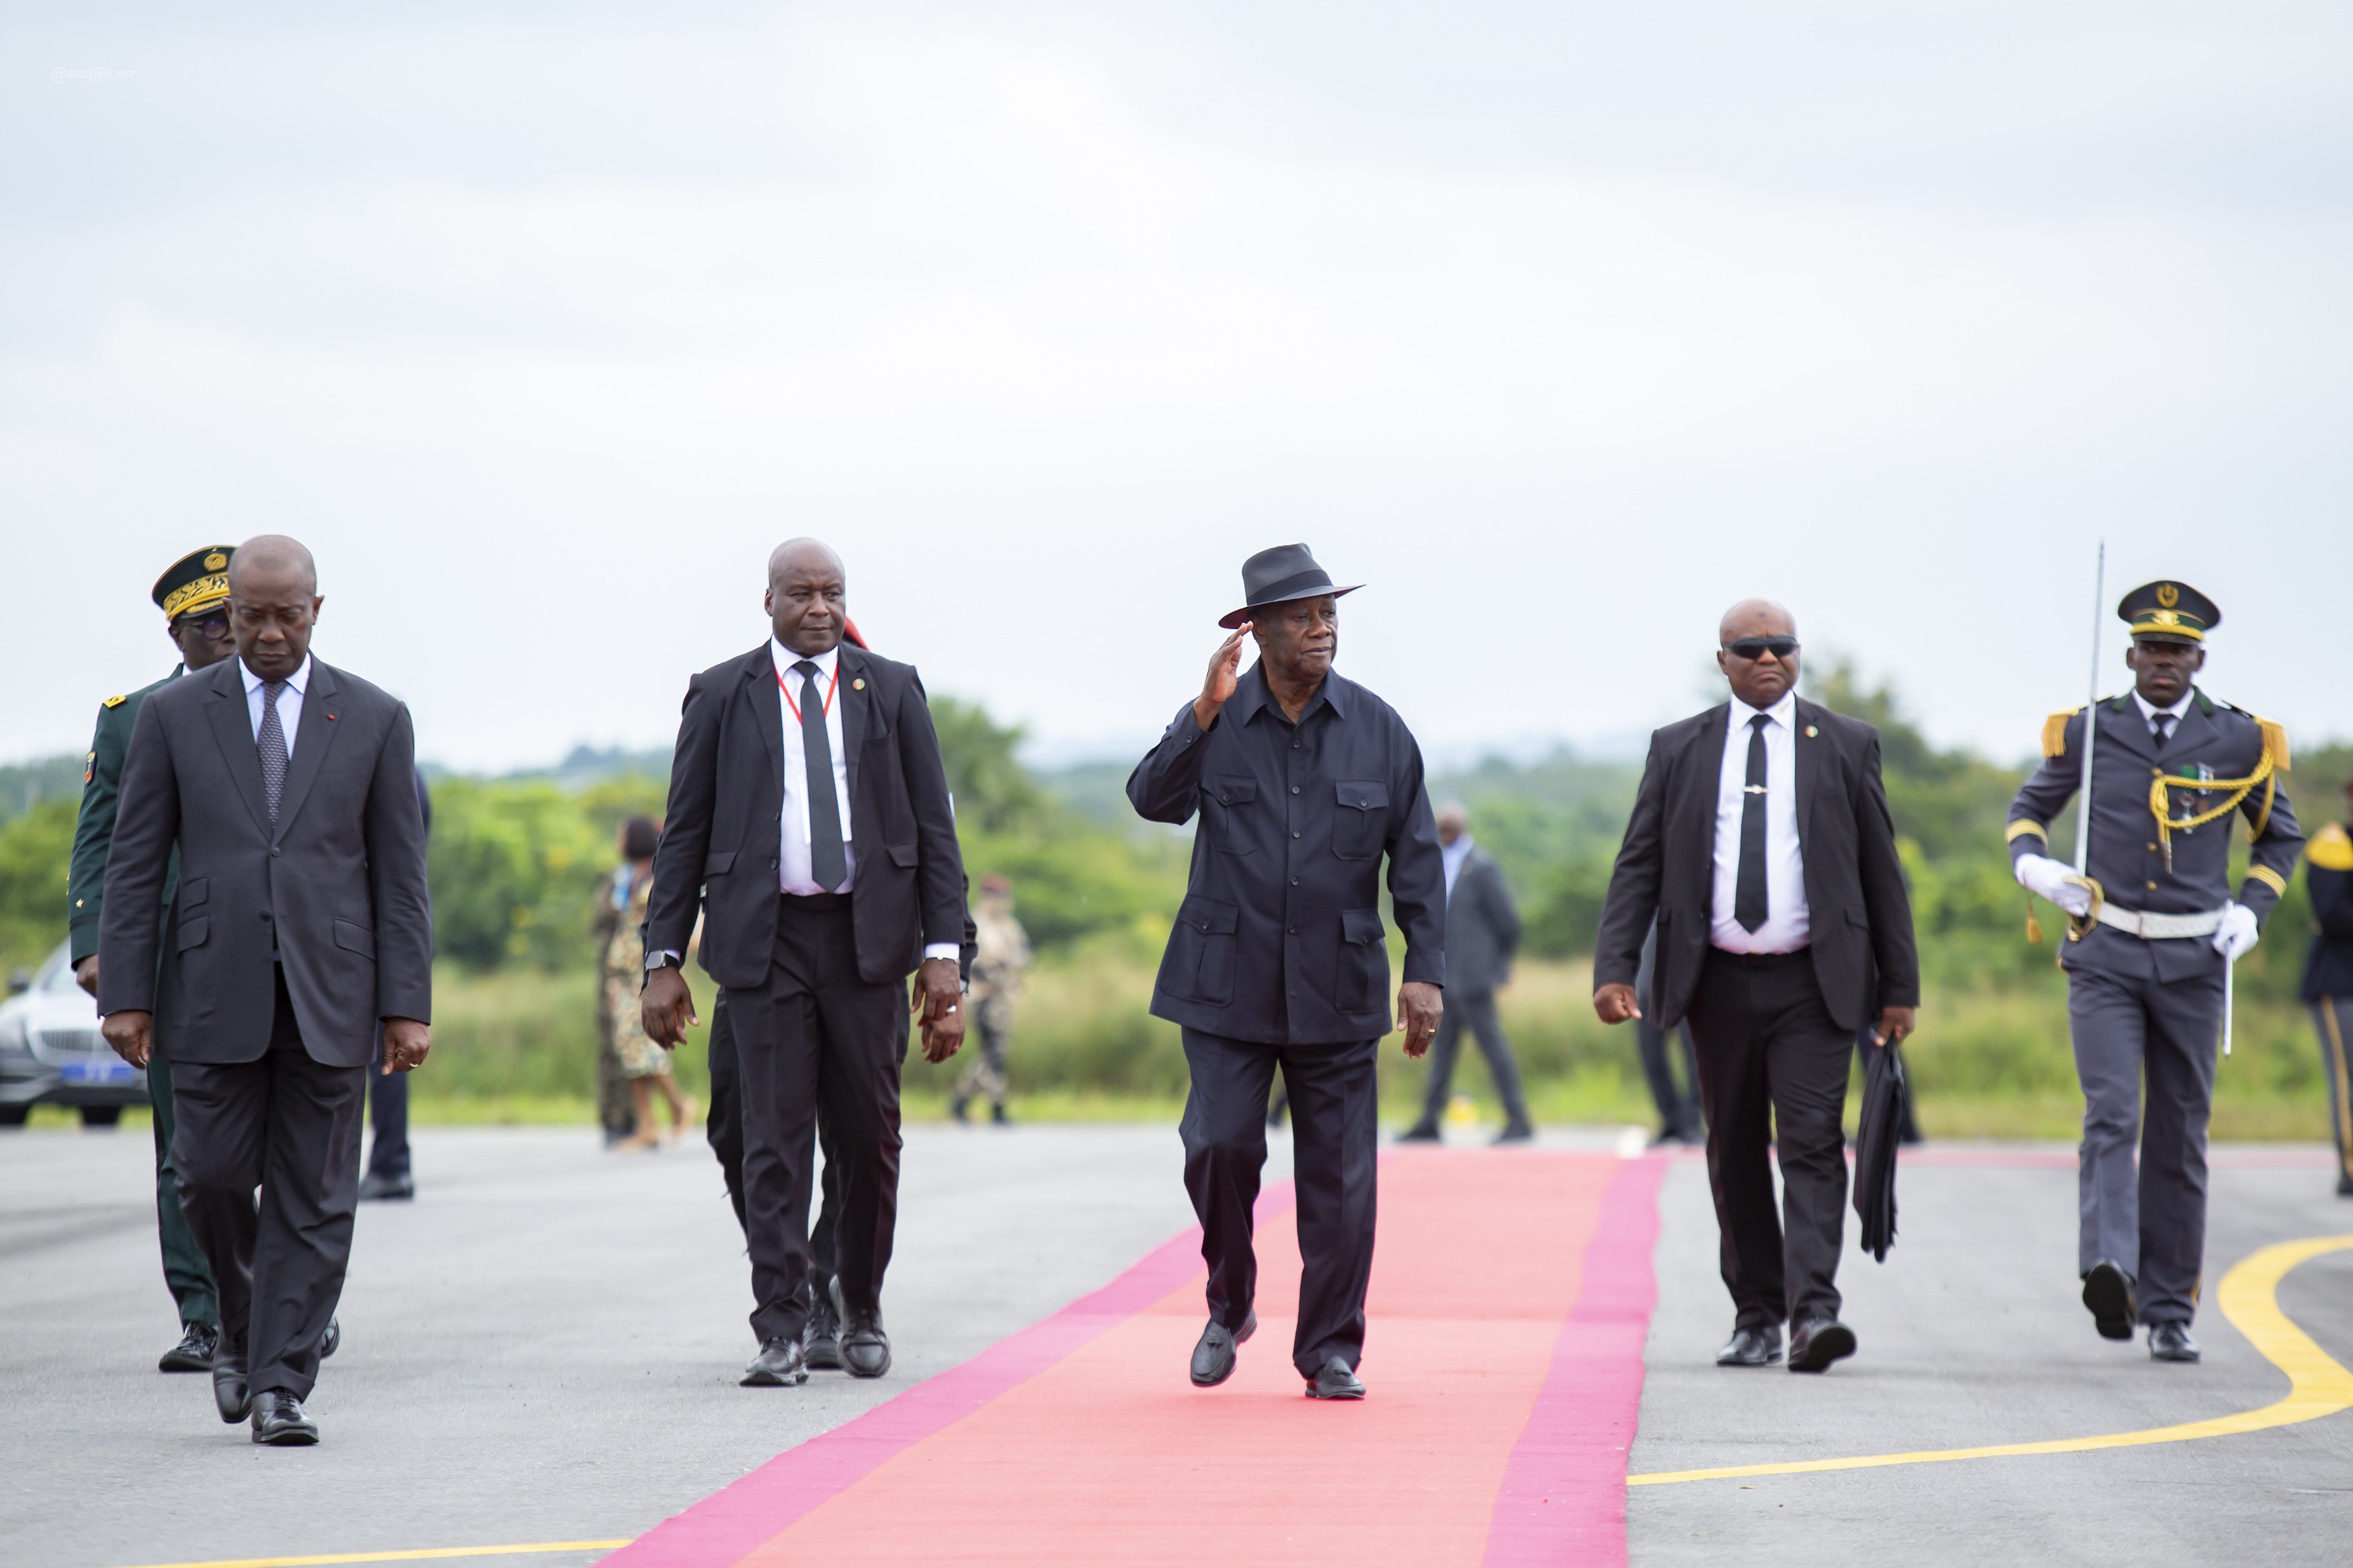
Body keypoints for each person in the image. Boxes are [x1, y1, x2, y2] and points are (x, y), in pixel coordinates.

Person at [97, 535, 433, 1445]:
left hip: (334, 991)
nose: (272, 632)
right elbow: (133, 863)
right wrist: (125, 992)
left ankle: (282, 1380)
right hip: (207, 989)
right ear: (229, 616)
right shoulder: (173, 716)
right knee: (204, 1176)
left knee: (316, 1197)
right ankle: (240, 1331)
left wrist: (408, 1004)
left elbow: (400, 877)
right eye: (254, 616)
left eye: (290, 615)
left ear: (317, 610)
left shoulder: (372, 716)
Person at [641, 538, 967, 1389]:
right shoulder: (721, 693)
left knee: (868, 1138)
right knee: (771, 1142)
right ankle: (781, 1327)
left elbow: (934, 828)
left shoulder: (891, 688)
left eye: (832, 593)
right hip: (766, 940)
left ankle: (857, 1303)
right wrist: (662, 956)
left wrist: (943, 954)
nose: (818, 608)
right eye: (801, 593)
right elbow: (682, 835)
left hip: (866, 944)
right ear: (769, 600)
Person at [1128, 543, 1444, 1401]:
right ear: (1256, 630)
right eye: (1302, 615)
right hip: (1223, 982)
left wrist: (1424, 969)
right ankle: (1228, 1304)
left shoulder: (1380, 730)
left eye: (1329, 613)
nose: (1321, 627)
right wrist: (1199, 713)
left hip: (1337, 987)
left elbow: (1415, 862)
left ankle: (1330, 1348)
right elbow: (1150, 799)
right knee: (1219, 1145)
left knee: (1340, 1180)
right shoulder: (1217, 715)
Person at [1592, 600, 1918, 1375]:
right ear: (1722, 660)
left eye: (1781, 647)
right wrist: (1614, 966)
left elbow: (1881, 872)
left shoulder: (1844, 743)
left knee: (1809, 1142)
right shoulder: (1679, 748)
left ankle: (1813, 1313)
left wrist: (1897, 987)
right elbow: (1637, 861)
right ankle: (1755, 1315)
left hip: (1814, 981)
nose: (1767, 659)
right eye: (1749, 649)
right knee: (1732, 1146)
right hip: (1714, 983)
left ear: (1797, 654)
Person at [2009, 581, 2303, 1360]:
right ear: (2130, 655)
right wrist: (2033, 870)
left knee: (2178, 1133)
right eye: (2149, 648)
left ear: (2197, 658)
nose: (2162, 661)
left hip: (2195, 959)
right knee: (2109, 1112)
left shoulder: (2239, 740)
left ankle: (2169, 1305)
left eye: (2176, 650)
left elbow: (2278, 838)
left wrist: (2251, 910)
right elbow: (2027, 810)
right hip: (2103, 950)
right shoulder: (2089, 730)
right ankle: (2109, 1265)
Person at [68, 544, 237, 1375]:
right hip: (176, 958)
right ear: (178, 632)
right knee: (188, 1143)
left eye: (236, 618)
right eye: (210, 624)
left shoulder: (296, 710)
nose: (231, 635)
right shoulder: (134, 717)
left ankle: (292, 1302)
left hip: (274, 955)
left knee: (285, 1143)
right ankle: (203, 1312)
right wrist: (95, 942)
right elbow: (99, 838)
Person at [1400, 804, 1532, 1143]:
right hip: (1446, 980)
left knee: (1493, 1048)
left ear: (1462, 827)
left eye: (1449, 827)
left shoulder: (1482, 866)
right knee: (1441, 1050)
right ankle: (1430, 1120)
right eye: (1440, 827)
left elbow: (1509, 922)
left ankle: (1519, 1119)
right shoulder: (1440, 863)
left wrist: (1500, 966)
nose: (1443, 833)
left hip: (1474, 978)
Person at [356, 766, 432, 1200]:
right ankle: (391, 1160)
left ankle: (390, 1163)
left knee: (384, 1055)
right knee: (385, 1057)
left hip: (376, 932)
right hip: (393, 928)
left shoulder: (389, 773)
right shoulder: (411, 774)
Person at [604, 815, 694, 1151]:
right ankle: (650, 1124)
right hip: (621, 974)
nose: (618, 840)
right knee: (629, 1050)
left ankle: (677, 1106)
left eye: (622, 833)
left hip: (648, 974)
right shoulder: (626, 877)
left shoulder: (658, 876)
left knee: (648, 1049)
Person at [2303, 782, 2353, 1198]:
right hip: (2339, 982)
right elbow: (2332, 913)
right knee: (2346, 1079)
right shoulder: (2333, 844)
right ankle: (2350, 1166)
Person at [951, 874, 1031, 1125]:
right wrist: (1000, 971)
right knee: (994, 1054)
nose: (1001, 903)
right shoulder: (978, 923)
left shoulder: (1009, 925)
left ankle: (964, 1100)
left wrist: (1007, 968)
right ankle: (994, 1105)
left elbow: (1025, 955)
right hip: (982, 996)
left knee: (994, 1054)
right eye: (996, 897)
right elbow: (973, 963)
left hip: (1002, 995)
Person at [1633, 919, 1704, 1147]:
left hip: (1687, 981)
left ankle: (1693, 1122)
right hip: (1648, 981)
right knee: (1651, 1054)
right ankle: (1671, 1119)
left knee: (1694, 1055)